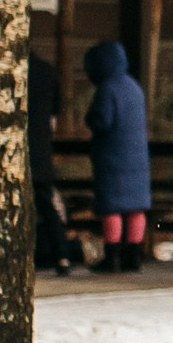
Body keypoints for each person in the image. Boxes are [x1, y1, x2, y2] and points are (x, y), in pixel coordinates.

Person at [83, 40, 151, 272]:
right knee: (135, 208)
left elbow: (102, 121)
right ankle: (133, 255)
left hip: (113, 157)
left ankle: (112, 256)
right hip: (137, 159)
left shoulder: (108, 89)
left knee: (112, 206)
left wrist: (90, 118)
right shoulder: (134, 87)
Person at [28, 52, 75, 274]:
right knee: (47, 204)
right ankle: (62, 256)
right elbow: (54, 115)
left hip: (16, 147)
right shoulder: (47, 72)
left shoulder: (7, 69)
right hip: (40, 148)